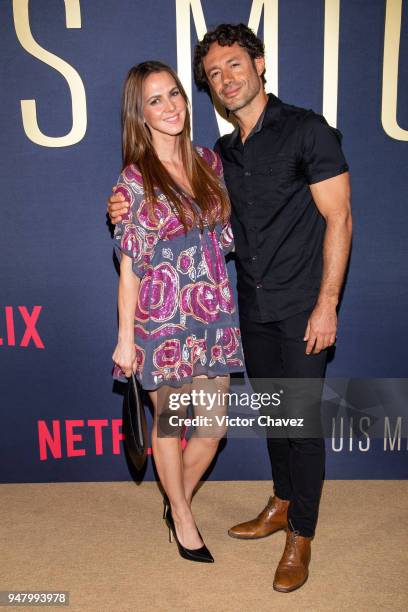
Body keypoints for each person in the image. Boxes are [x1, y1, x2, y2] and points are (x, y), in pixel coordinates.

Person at [108, 24, 352, 591]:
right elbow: (134, 257)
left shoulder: (261, 145)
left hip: (254, 313)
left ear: (259, 64)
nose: (224, 79)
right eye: (213, 73)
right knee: (221, 421)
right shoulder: (176, 168)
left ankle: (287, 529)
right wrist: (125, 334)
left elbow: (330, 218)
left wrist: (327, 303)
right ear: (139, 114)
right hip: (197, 318)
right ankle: (218, 512)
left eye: (234, 66)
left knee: (257, 427)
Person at [111, 60, 245, 564]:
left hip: (213, 316)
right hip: (159, 322)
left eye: (175, 95)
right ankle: (184, 519)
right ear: (139, 114)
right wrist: (126, 340)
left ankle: (175, 500)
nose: (171, 107)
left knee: (211, 430)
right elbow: (130, 269)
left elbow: (232, 231)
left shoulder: (211, 163)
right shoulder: (132, 181)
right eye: (156, 100)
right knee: (169, 424)